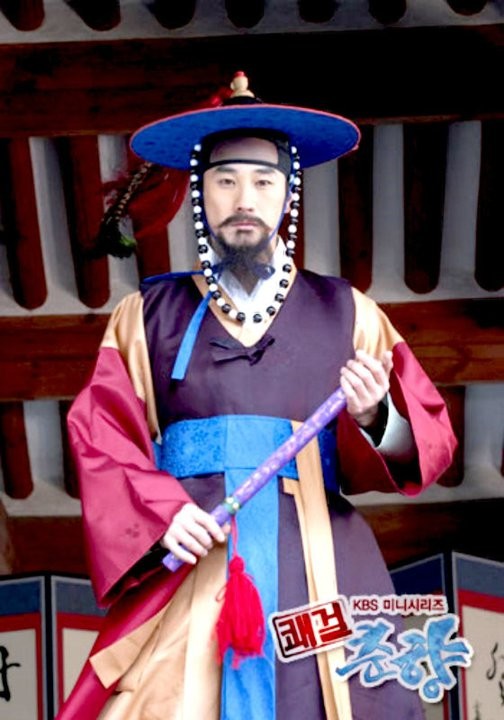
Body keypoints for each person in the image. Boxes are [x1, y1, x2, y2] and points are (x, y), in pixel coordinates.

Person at [58, 72, 457, 720]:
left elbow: (429, 440)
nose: (244, 199)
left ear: (289, 192)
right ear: (200, 192)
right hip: (197, 549)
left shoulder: (349, 312)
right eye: (225, 180)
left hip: (320, 563)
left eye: (264, 181)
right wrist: (161, 511)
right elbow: (100, 435)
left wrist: (376, 415)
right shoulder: (146, 316)